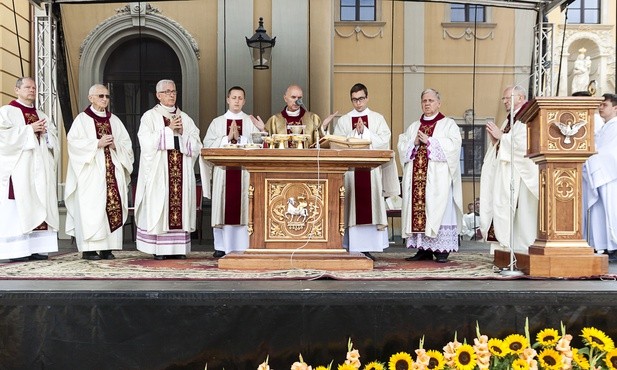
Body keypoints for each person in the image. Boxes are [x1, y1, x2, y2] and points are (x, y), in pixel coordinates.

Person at [65, 84, 134, 260]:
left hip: (112, 171)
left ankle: (107, 248)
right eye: (101, 96)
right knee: (92, 208)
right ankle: (89, 249)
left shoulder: (114, 121)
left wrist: (114, 145)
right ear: (91, 98)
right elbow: (73, 143)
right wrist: (96, 143)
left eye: (107, 96)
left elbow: (127, 145)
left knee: (110, 207)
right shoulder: (82, 120)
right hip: (91, 173)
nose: (105, 99)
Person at [134, 79, 202, 260]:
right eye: (167, 92)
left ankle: (178, 249)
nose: (172, 95)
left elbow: (197, 144)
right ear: (158, 95)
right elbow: (145, 142)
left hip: (181, 172)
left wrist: (182, 135)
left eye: (174, 91)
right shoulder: (150, 117)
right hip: (160, 173)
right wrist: (168, 130)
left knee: (180, 206)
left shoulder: (185, 118)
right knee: (160, 205)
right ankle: (159, 249)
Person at [332, 83, 400, 260]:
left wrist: (365, 132)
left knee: (371, 206)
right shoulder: (345, 120)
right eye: (354, 100)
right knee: (353, 209)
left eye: (361, 99)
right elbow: (337, 144)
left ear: (367, 98)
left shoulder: (377, 118)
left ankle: (370, 246)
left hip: (371, 175)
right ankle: (353, 246)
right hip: (352, 176)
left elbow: (385, 141)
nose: (358, 103)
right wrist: (355, 132)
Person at [397, 89, 463, 263]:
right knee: (418, 212)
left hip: (438, 182)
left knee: (438, 210)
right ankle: (423, 249)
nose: (427, 103)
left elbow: (454, 147)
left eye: (431, 100)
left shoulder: (448, 124)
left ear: (439, 103)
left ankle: (442, 250)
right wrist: (414, 143)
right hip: (417, 179)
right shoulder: (413, 127)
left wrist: (430, 141)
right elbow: (402, 147)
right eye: (424, 100)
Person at [200, 86, 264, 258]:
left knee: (244, 207)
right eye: (234, 97)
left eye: (240, 98)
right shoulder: (217, 122)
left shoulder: (250, 121)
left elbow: (261, 146)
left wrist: (249, 135)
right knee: (223, 207)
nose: (237, 101)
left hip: (244, 174)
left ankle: (244, 245)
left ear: (244, 101)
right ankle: (221, 246)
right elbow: (206, 146)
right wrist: (227, 139)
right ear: (227, 99)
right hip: (223, 173)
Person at [0, 77, 59, 262]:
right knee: (20, 206)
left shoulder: (42, 114)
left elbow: (54, 140)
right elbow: (4, 137)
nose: (31, 90)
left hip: (40, 170)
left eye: (34, 87)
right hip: (20, 170)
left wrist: (46, 134)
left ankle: (38, 248)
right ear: (17, 90)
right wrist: (28, 130)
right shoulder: (7, 112)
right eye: (27, 87)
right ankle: (18, 250)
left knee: (41, 202)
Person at [480, 85, 538, 253]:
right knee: (504, 210)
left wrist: (502, 138)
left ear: (520, 98)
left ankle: (522, 250)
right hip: (507, 173)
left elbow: (525, 144)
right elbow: (505, 142)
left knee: (522, 214)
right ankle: (506, 249)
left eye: (508, 98)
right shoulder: (510, 119)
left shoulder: (529, 117)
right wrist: (496, 140)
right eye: (504, 99)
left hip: (521, 176)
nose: (504, 101)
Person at [583, 93, 617, 262]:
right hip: (603, 173)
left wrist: (590, 159)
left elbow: (611, 153)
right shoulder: (605, 126)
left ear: (615, 108)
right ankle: (605, 245)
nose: (600, 107)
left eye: (604, 105)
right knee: (601, 212)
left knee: (612, 211)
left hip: (611, 176)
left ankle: (614, 247)